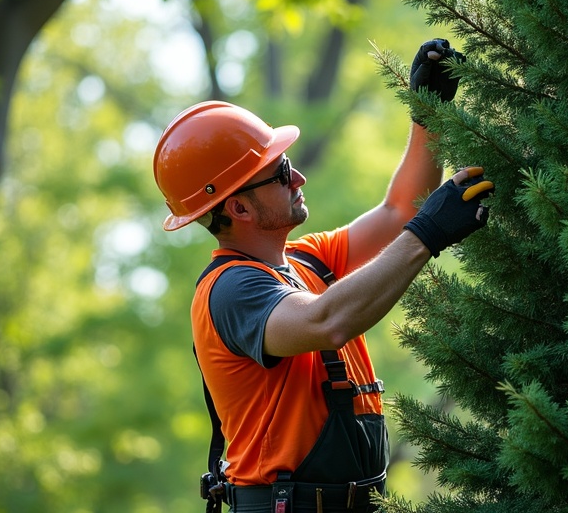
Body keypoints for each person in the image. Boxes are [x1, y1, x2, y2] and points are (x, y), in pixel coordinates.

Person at [152, 39, 494, 513]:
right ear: (238, 207)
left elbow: (399, 213)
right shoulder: (230, 289)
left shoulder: (307, 261)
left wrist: (427, 119)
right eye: (282, 171)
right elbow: (325, 322)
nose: (299, 179)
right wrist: (428, 234)